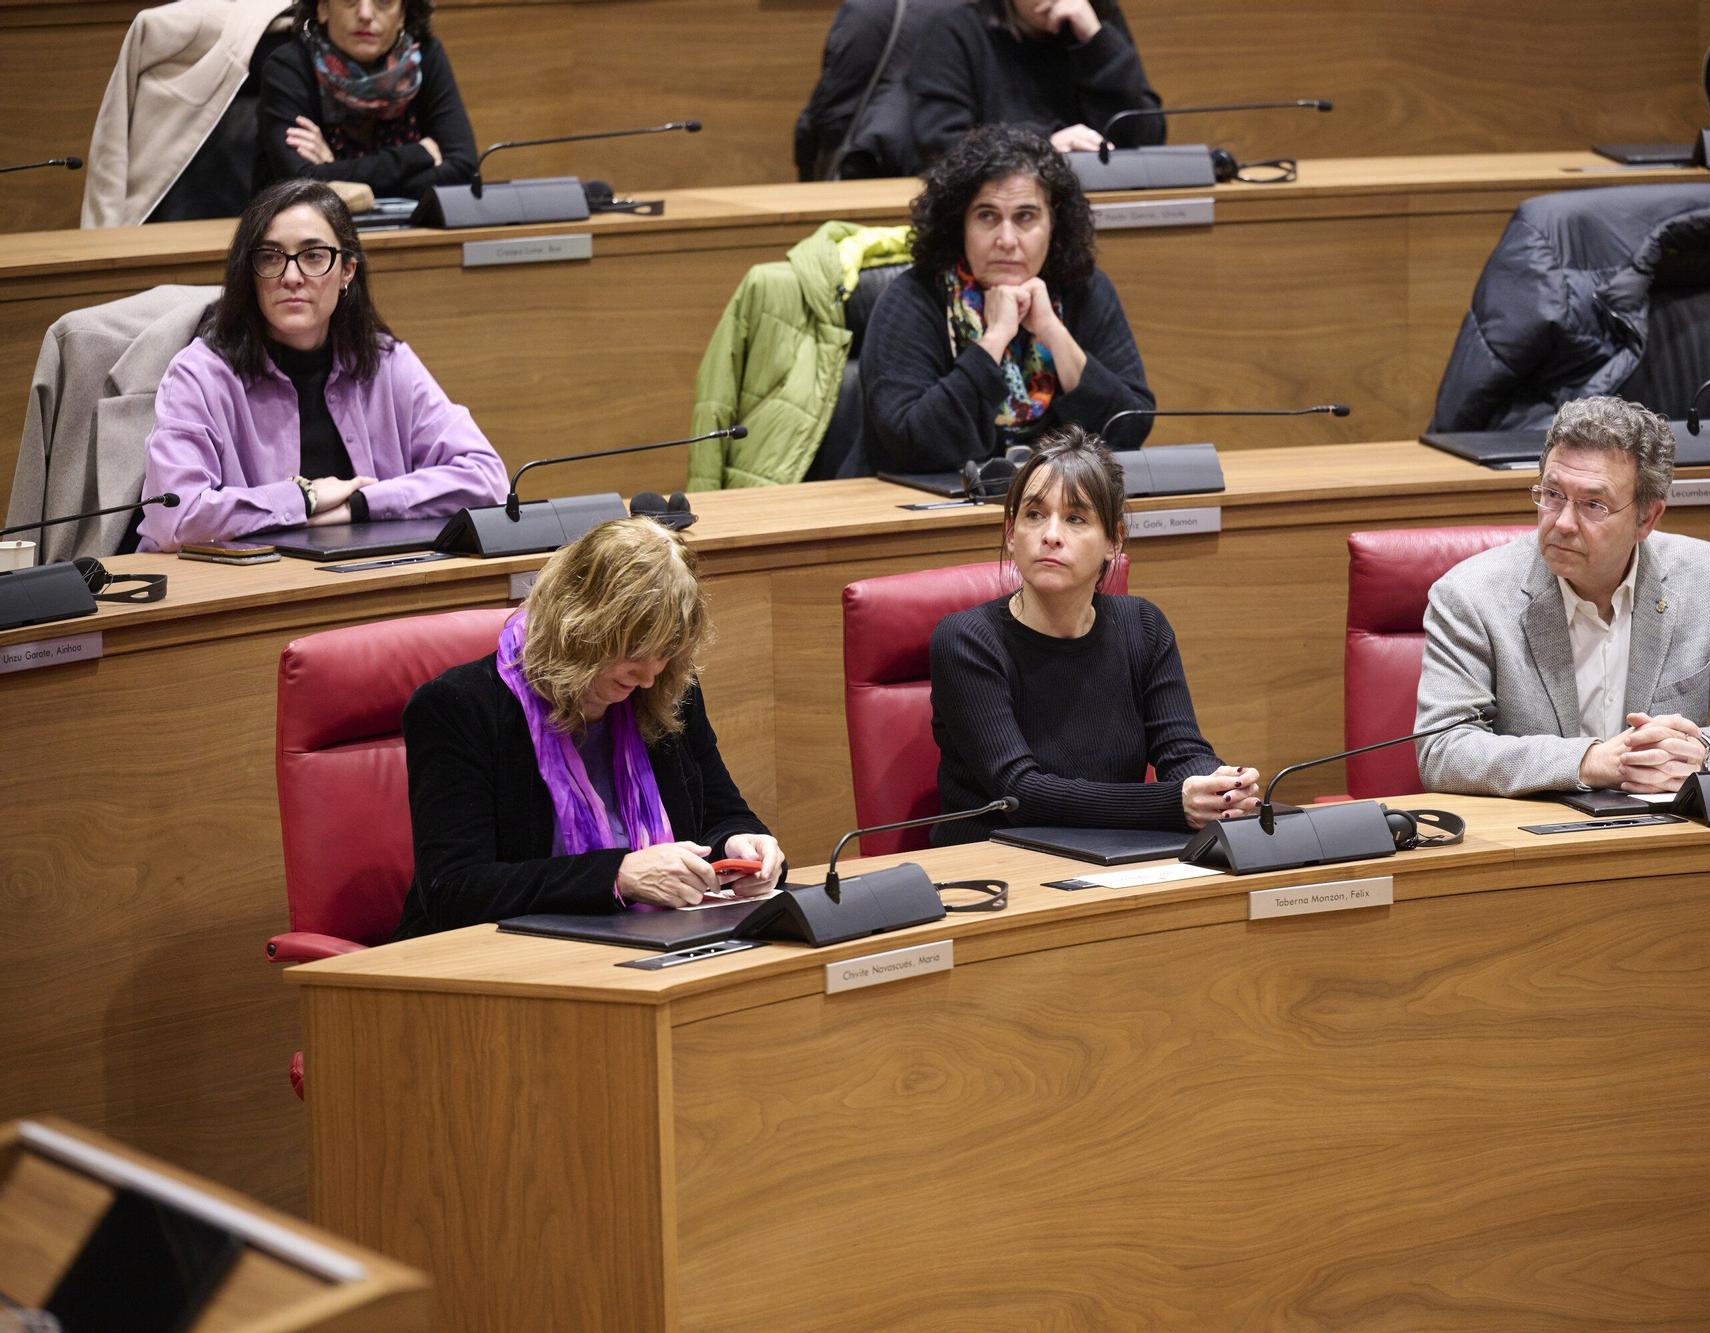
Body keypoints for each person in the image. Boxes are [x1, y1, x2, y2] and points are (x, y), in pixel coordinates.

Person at [395, 518, 784, 937]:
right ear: (581, 627)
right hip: (500, 955)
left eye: (666, 652)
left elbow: (721, 814)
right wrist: (617, 876)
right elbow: (455, 891)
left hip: (650, 937)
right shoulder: (459, 707)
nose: (649, 675)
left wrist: (743, 844)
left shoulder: (664, 689)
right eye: (635, 650)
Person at [1415, 396, 1710, 798]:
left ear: (1647, 518)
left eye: (1593, 504)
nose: (1563, 523)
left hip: (1668, 826)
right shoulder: (1472, 596)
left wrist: (1704, 754)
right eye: (1552, 494)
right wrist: (1589, 762)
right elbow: (1442, 749)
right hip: (1538, 828)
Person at [928, 428, 1257, 845]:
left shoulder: (1143, 627)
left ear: (1113, 542)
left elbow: (1181, 751)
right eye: (1034, 515)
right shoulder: (966, 641)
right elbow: (1019, 794)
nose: (1050, 534)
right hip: (995, 860)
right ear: (1011, 533)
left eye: (1075, 518)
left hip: (1112, 853)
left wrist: (1219, 789)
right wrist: (1172, 804)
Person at [139, 179, 505, 551]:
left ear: (347, 270)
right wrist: (304, 498)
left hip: (362, 575)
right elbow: (175, 519)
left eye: (313, 256)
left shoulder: (384, 361)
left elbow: (487, 478)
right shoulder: (200, 374)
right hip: (243, 580)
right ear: (249, 273)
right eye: (271, 257)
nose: (291, 277)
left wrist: (362, 505)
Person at [862, 125, 1153, 475]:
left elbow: (1130, 426)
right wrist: (994, 339)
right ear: (960, 224)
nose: (1007, 239)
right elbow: (912, 443)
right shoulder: (913, 298)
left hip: (1056, 501)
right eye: (987, 216)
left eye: (1025, 217)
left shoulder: (1083, 289)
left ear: (1053, 223)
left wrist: (1053, 332)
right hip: (926, 502)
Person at [257, 0, 478, 197]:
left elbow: (463, 170)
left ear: (402, 14)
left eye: (384, 1)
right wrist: (417, 156)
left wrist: (334, 173)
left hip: (414, 226)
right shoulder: (289, 67)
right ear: (323, 8)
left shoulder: (424, 56)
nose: (365, 13)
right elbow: (299, 185)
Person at [907, 0, 1164, 165]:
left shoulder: (1098, 21)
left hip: (1098, 196)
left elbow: (1146, 137)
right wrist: (1040, 145)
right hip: (1002, 202)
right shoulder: (956, 30)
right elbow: (940, 144)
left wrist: (1095, 40)